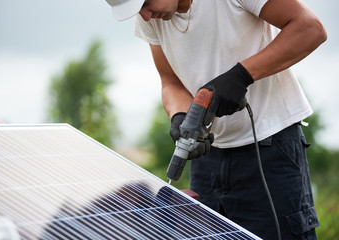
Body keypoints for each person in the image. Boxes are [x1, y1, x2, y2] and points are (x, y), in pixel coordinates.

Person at [106, 0, 327, 239]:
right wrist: (180, 115)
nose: (145, 15)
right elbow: (170, 81)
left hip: (270, 150)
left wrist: (242, 76)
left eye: (146, 3)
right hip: (207, 156)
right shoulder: (151, 16)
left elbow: (310, 28)